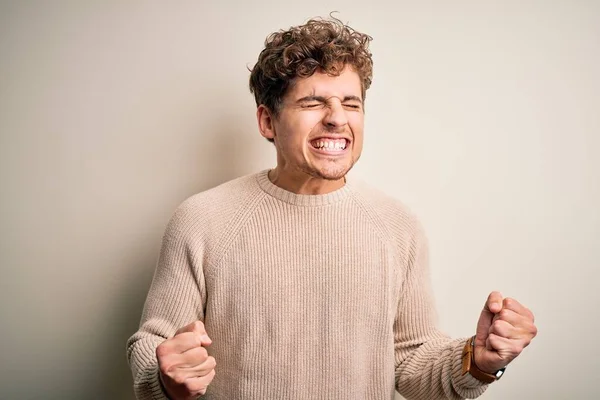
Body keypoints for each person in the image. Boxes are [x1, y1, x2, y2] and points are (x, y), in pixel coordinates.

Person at [126, 16, 537, 400]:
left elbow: (410, 361)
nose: (337, 119)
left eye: (351, 103)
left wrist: (479, 363)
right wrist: (165, 378)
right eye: (313, 103)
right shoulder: (202, 219)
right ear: (268, 121)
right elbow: (153, 343)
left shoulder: (398, 225)